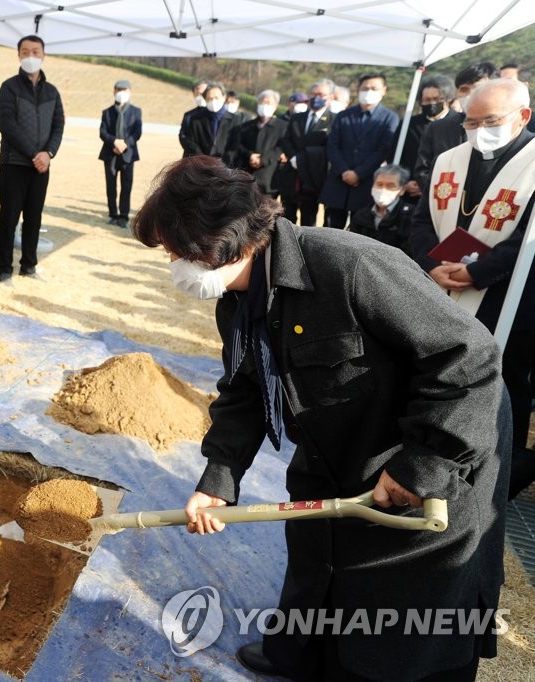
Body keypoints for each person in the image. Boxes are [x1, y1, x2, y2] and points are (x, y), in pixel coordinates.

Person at [133, 155, 509, 682]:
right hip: (331, 449)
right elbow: (243, 389)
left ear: (220, 240)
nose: (172, 263)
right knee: (317, 562)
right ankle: (300, 655)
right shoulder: (237, 297)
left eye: (175, 251)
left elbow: (470, 359)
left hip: (420, 459)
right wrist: (220, 478)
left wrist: (421, 465)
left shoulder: (350, 266)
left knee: (393, 622)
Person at [408, 78, 535, 499]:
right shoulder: (449, 159)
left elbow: (528, 242)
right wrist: (431, 266)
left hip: (507, 297)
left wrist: (480, 273)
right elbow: (423, 222)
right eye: (471, 122)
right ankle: (434, 450)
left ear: (523, 117)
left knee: (503, 377)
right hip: (443, 288)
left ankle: (497, 465)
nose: (480, 130)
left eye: (492, 121)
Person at [0, 34, 64, 283]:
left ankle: (29, 266)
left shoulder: (52, 92)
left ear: (43, 55)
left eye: (35, 51)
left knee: (34, 218)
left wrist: (48, 153)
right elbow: (7, 124)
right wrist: (34, 153)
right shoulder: (9, 87)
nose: (31, 56)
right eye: (25, 52)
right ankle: (4, 269)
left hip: (41, 167)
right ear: (19, 56)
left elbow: (58, 126)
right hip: (14, 163)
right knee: (9, 218)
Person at [319, 73, 399, 228]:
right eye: (365, 88)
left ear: (384, 90)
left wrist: (359, 173)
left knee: (359, 232)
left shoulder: (390, 118)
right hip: (338, 180)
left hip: (366, 183)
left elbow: (383, 150)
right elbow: (333, 145)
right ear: (358, 90)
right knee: (330, 230)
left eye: (374, 88)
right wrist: (344, 171)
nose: (368, 91)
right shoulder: (344, 115)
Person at [413, 62, 498, 193]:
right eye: (464, 89)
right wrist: (446, 196)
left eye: (477, 89)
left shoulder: (507, 127)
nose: (470, 95)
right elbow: (423, 171)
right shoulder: (437, 129)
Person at [279, 79, 335, 226]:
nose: (316, 97)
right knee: (286, 216)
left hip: (313, 176)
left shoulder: (334, 120)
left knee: (308, 219)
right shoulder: (297, 117)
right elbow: (286, 139)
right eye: (314, 93)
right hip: (291, 173)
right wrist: (293, 157)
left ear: (330, 97)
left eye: (321, 94)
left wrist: (304, 159)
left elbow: (330, 147)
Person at [396, 74, 453, 203]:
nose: (431, 103)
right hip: (410, 193)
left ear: (448, 99)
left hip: (446, 192)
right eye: (426, 100)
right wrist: (405, 181)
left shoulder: (458, 124)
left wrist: (427, 185)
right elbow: (396, 155)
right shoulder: (408, 125)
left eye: (436, 99)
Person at [98, 79, 142, 229]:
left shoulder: (136, 112)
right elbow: (102, 132)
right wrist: (114, 142)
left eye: (124, 90)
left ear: (130, 92)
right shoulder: (107, 112)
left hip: (128, 154)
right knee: (111, 185)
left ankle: (123, 215)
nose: (121, 93)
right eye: (118, 90)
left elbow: (137, 132)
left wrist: (125, 144)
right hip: (110, 153)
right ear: (114, 92)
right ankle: (112, 214)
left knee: (126, 185)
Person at [227, 89, 288, 198]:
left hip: (268, 179)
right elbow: (239, 145)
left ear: (276, 106)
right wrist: (250, 155)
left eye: (269, 103)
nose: (265, 106)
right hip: (246, 175)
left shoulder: (283, 127)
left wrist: (263, 159)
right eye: (262, 102)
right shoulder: (246, 125)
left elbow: (281, 147)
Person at [347, 163, 413, 253]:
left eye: (390, 186)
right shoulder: (361, 215)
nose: (383, 189)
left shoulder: (410, 216)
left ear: (402, 190)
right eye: (379, 184)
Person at [178, 80, 239, 159]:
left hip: (226, 167)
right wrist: (203, 159)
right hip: (201, 164)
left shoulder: (235, 120)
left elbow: (235, 145)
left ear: (224, 97)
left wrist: (224, 162)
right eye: (209, 98)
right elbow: (191, 141)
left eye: (216, 97)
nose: (213, 101)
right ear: (205, 100)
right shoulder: (196, 119)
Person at [274, 92, 308, 223]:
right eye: (297, 102)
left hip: (300, 168)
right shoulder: (280, 120)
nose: (300, 106)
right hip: (279, 168)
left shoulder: (305, 120)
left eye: (304, 103)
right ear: (289, 103)